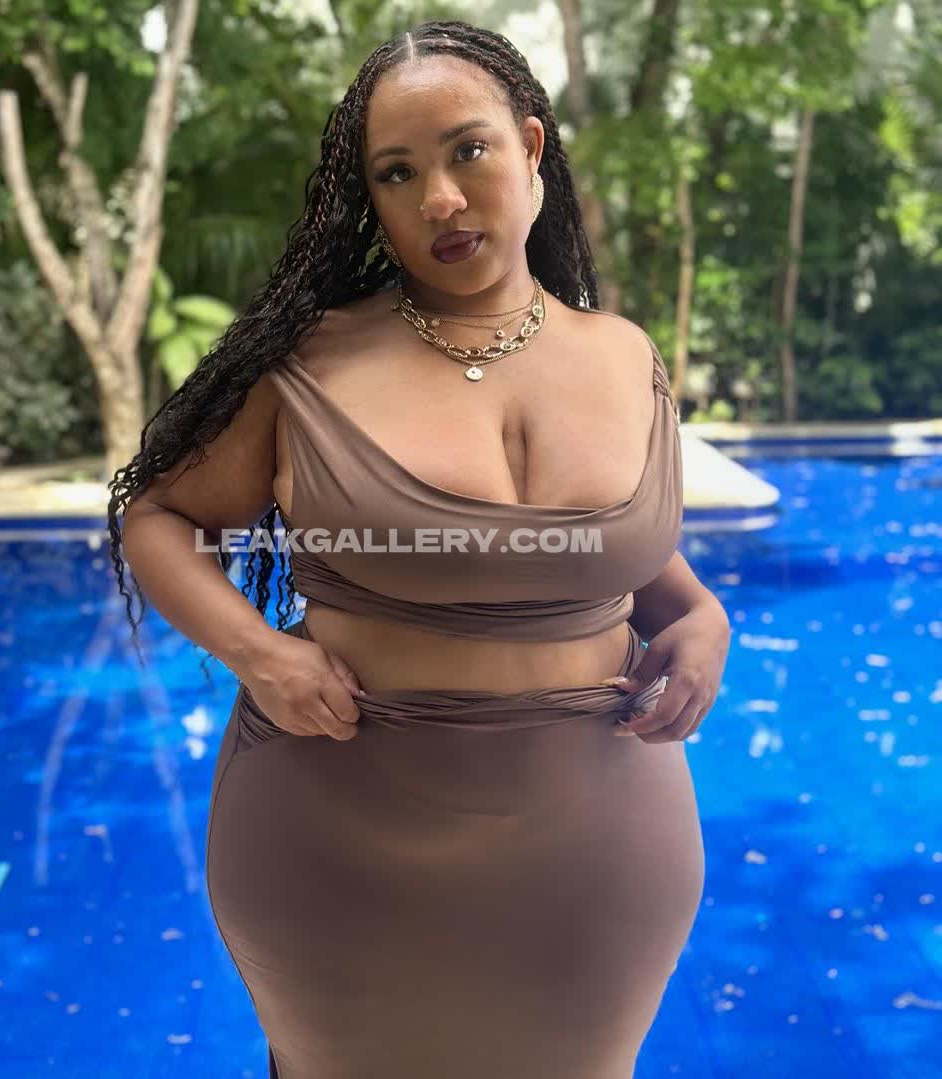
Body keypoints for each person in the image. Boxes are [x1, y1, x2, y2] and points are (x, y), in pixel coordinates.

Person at [111, 19, 731, 1079]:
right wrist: (262, 653)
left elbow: (607, 558)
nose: (439, 198)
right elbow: (159, 516)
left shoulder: (626, 357)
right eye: (397, 173)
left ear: (530, 149)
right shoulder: (309, 365)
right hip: (342, 843)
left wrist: (704, 618)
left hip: (599, 846)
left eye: (467, 150)